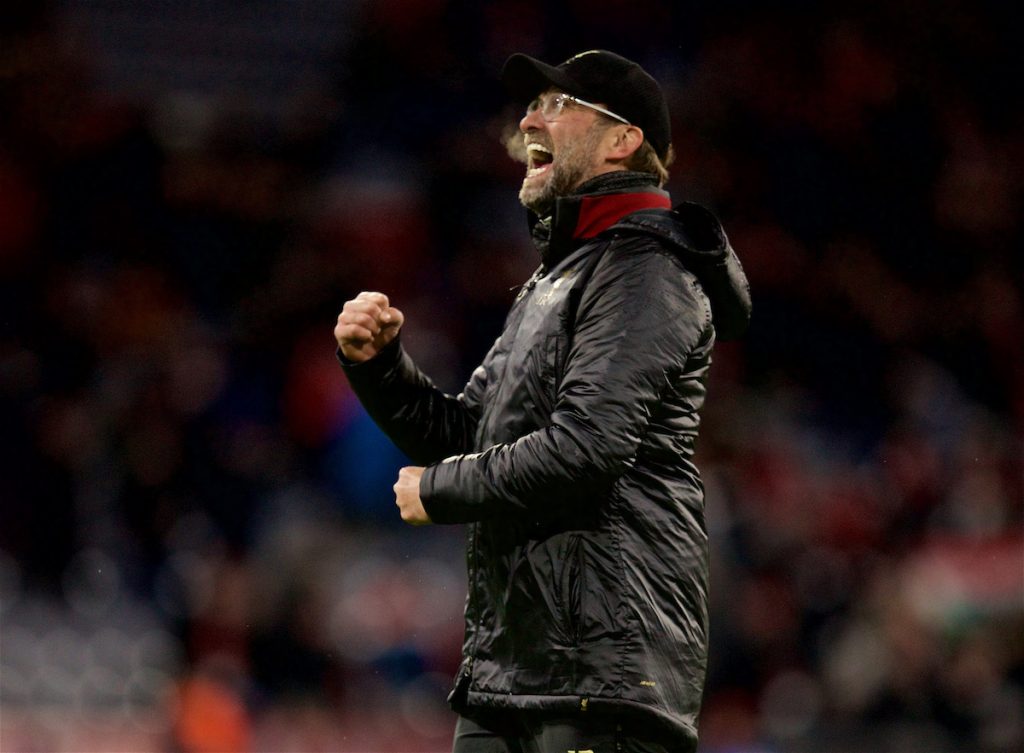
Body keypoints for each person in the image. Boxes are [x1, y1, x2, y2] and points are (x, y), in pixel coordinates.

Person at [334, 49, 751, 753]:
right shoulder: (554, 282)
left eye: (559, 106)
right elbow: (469, 435)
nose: (530, 117)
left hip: (604, 669)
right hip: (512, 669)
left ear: (624, 141)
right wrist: (379, 368)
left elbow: (587, 448)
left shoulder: (646, 270)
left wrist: (441, 490)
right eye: (532, 105)